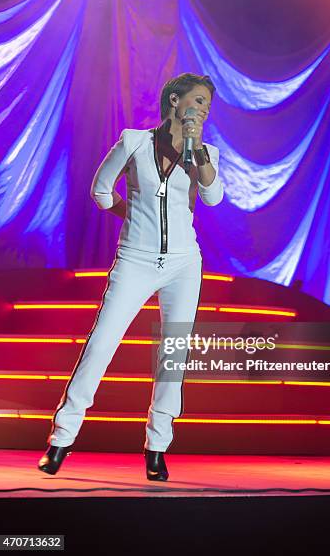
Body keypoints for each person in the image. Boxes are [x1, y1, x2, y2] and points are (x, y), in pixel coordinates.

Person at [37, 72, 224, 481]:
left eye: (208, 105)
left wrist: (198, 152)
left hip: (183, 264)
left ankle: (157, 447)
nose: (204, 109)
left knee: (172, 355)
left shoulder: (203, 151)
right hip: (135, 260)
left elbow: (213, 196)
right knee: (102, 343)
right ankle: (61, 438)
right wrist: (134, 217)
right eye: (197, 101)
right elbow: (101, 190)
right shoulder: (133, 141)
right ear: (174, 101)